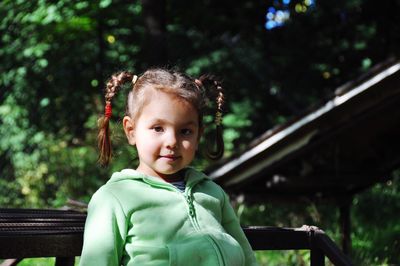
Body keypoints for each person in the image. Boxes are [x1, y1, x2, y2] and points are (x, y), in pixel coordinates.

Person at [79, 68, 258, 266]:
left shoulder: (212, 192)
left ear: (199, 135)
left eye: (185, 131)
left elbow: (246, 256)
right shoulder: (114, 198)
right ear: (131, 131)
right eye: (158, 128)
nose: (172, 141)